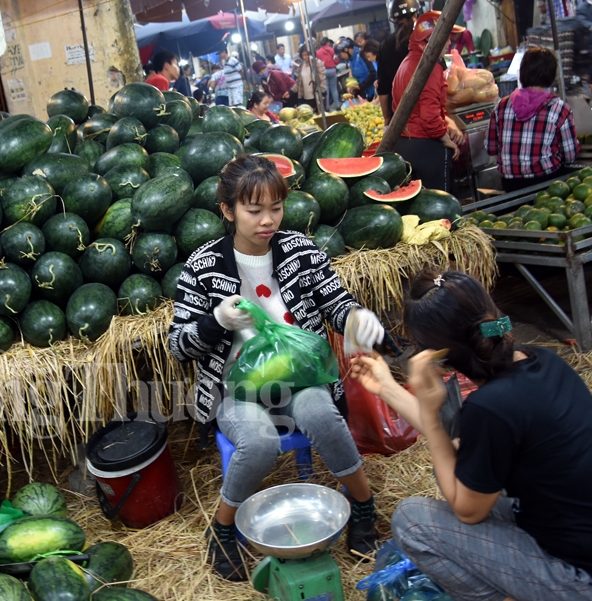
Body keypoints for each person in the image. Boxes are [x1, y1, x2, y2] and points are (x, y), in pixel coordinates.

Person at [168, 154, 385, 581]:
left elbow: (335, 303)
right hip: (235, 391)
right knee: (260, 442)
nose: (267, 220)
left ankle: (363, 509)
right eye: (253, 210)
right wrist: (217, 322)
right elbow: (179, 346)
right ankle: (223, 529)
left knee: (323, 415)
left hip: (302, 380)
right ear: (227, 211)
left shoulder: (301, 252)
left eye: (276, 208)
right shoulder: (202, 267)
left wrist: (357, 319)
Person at [350, 269, 592, 601]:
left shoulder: (490, 406)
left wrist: (433, 417)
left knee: (413, 520)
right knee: (480, 489)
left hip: (577, 578)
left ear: (436, 357)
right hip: (567, 529)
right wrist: (387, 388)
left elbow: (468, 509)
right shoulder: (546, 361)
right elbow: (468, 456)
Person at [486, 47, 578, 193]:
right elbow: (570, 154)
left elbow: (491, 149)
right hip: (547, 182)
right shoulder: (559, 108)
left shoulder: (501, 106)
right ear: (551, 75)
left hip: (510, 184)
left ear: (522, 72)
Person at [392, 11, 465, 192]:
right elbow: (429, 116)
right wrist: (446, 139)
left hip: (405, 144)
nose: (448, 43)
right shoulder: (429, 68)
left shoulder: (406, 63)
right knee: (441, 205)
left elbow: (425, 105)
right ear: (429, 41)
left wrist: (447, 121)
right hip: (425, 146)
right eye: (445, 38)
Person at [378, 0, 420, 125]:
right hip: (427, 108)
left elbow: (383, 88)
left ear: (393, 19)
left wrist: (387, 119)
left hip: (398, 114)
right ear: (416, 14)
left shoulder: (385, 46)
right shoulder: (425, 39)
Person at [293, 45, 326, 110]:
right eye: (303, 55)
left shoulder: (318, 63)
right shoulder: (301, 66)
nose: (304, 57)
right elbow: (298, 83)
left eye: (306, 55)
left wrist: (322, 93)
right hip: (305, 97)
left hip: (316, 96)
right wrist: (290, 91)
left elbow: (322, 79)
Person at [317, 37, 340, 111]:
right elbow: (337, 60)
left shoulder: (318, 52)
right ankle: (337, 105)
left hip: (323, 72)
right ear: (328, 43)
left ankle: (326, 107)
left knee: (326, 90)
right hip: (332, 70)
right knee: (334, 89)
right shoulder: (332, 50)